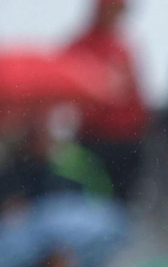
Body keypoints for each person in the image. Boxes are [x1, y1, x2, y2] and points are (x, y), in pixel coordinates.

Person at [64, 0, 149, 202]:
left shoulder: (123, 47)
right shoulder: (80, 46)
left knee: (122, 202)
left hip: (126, 141)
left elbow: (135, 95)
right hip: (93, 140)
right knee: (92, 200)